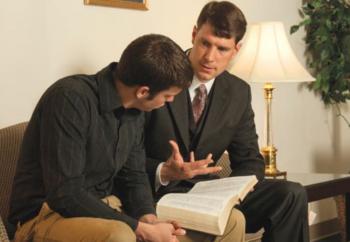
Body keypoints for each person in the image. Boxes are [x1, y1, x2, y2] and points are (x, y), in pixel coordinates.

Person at [144, 1, 309, 242]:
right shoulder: (158, 74)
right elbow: (126, 155)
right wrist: (165, 172)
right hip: (161, 193)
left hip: (209, 196)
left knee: (292, 194)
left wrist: (228, 194)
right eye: (205, 43)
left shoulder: (238, 91)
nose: (209, 57)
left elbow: (250, 160)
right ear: (193, 34)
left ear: (236, 49)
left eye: (222, 49)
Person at [8, 34, 194, 242]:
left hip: (105, 207)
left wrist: (149, 221)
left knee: (177, 235)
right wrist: (139, 229)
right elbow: (65, 194)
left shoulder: (135, 110)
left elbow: (133, 176)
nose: (169, 102)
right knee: (120, 236)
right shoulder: (69, 98)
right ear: (143, 92)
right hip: (44, 216)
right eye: (168, 96)